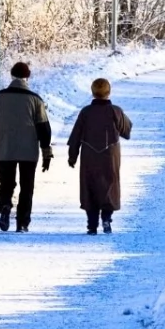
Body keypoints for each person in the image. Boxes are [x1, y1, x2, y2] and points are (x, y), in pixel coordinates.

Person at [0, 61, 53, 233]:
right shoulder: (35, 100)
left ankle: (5, 205)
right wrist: (46, 152)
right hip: (28, 150)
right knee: (27, 186)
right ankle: (22, 222)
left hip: (5, 148)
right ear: (27, 77)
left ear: (12, 75)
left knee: (6, 182)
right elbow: (44, 128)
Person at [67, 78, 133, 235]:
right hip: (110, 155)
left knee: (89, 185)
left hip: (89, 155)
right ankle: (106, 218)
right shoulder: (115, 111)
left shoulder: (86, 112)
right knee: (110, 184)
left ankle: (92, 225)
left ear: (92, 92)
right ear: (109, 92)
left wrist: (72, 156)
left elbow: (76, 136)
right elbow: (126, 131)